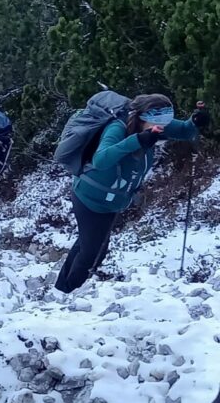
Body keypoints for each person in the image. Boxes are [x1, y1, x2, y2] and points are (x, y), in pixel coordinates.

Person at [54, 95, 209, 294]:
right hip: (90, 198)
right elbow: (101, 159)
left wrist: (195, 122)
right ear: (142, 116)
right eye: (159, 119)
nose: (163, 125)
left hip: (112, 201)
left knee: (90, 245)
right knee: (94, 252)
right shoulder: (117, 128)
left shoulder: (155, 126)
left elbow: (184, 131)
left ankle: (61, 289)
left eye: (166, 119)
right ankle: (68, 292)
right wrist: (136, 140)